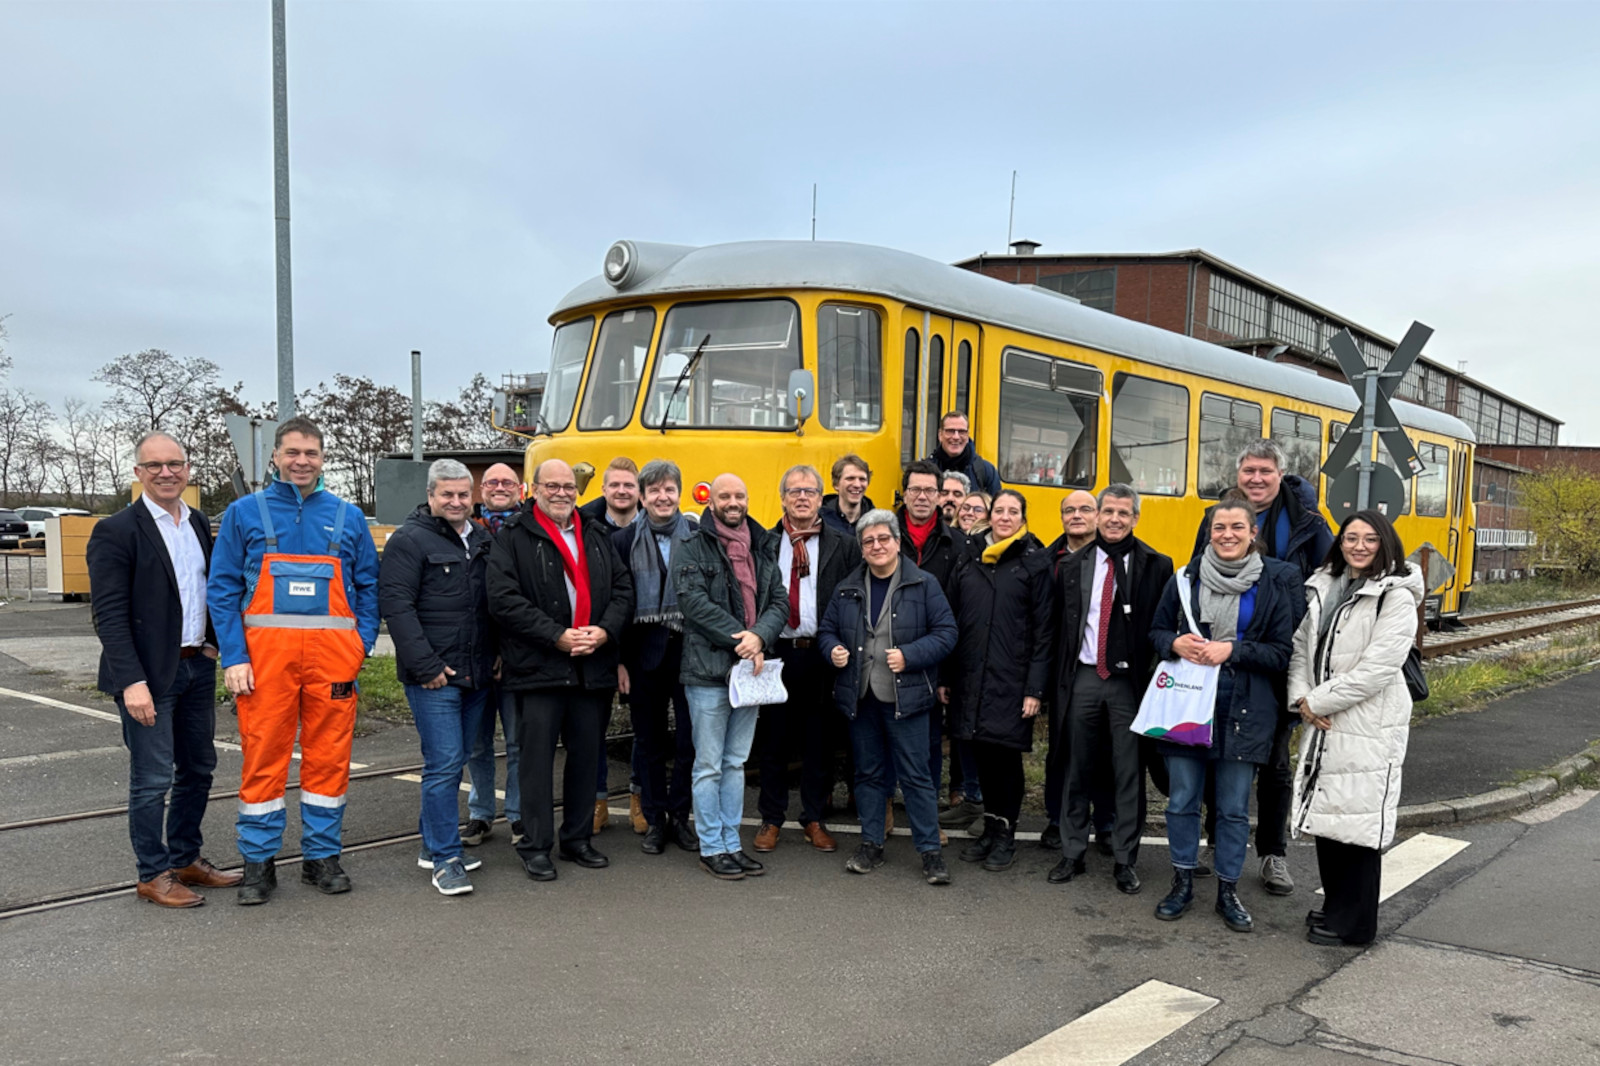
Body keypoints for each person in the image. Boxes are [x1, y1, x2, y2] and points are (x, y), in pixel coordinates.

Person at [209, 417, 379, 905]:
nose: (301, 461)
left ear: (323, 458)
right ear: (276, 458)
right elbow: (221, 590)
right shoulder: (244, 513)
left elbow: (369, 587)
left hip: (333, 665)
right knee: (263, 760)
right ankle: (258, 865)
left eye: (311, 453)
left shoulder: (348, 517)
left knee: (330, 761)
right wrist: (233, 656)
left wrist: (359, 646)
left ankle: (321, 858)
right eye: (292, 452)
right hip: (263, 665)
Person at [86, 430, 240, 908]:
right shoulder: (116, 531)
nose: (166, 473)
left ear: (188, 470)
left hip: (196, 668)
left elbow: (207, 592)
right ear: (138, 473)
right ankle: (152, 873)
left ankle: (186, 858)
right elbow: (109, 615)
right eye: (154, 466)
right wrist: (132, 682)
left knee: (198, 768)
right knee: (152, 778)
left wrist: (216, 645)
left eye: (175, 464)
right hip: (147, 676)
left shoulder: (196, 522)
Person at [1150, 489, 1299, 932]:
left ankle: (1228, 890)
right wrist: (1173, 643)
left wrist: (1231, 650)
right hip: (1188, 703)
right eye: (1219, 527)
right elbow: (1156, 632)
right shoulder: (1185, 578)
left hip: (1247, 706)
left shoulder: (1277, 579)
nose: (1227, 534)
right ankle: (1181, 880)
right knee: (1181, 801)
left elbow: (1284, 651)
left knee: (1233, 807)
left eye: (1238, 527)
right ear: (1208, 533)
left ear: (1253, 533)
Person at [1189, 439, 1329, 895]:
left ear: (1279, 474)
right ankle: (1216, 842)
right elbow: (1197, 573)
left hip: (1276, 659)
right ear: (1238, 474)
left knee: (1274, 762)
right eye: (1248, 470)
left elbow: (1330, 575)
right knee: (1216, 756)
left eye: (1264, 471)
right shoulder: (1217, 518)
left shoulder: (1308, 522)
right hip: (1220, 666)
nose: (1256, 478)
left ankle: (1273, 853)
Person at [486, 458, 633, 883]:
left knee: (587, 758)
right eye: (552, 486)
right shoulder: (514, 535)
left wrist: (604, 631)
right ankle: (534, 845)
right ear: (534, 489)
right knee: (535, 763)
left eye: (569, 486)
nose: (562, 493)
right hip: (539, 667)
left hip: (592, 666)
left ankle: (578, 839)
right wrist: (556, 635)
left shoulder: (596, 532)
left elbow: (624, 589)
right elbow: (503, 599)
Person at [1290, 511, 1423, 947]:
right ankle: (1336, 907)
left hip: (1367, 721)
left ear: (1386, 543)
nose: (1359, 546)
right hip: (1325, 717)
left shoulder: (1396, 596)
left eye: (1369, 539)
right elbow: (1300, 647)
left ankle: (1356, 924)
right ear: (1339, 542)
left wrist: (1317, 701)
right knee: (1331, 819)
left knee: (1359, 825)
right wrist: (1300, 699)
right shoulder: (1325, 584)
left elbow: (1378, 669)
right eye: (1351, 538)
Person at [819, 510, 959, 884]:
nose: (877, 546)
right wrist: (832, 648)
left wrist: (911, 655)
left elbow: (947, 633)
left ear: (898, 542)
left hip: (907, 698)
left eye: (884, 539)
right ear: (861, 548)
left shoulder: (924, 584)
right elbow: (827, 630)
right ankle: (871, 844)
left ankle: (930, 852)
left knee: (916, 776)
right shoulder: (848, 588)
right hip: (861, 697)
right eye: (868, 541)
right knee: (868, 774)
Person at [1048, 485, 1174, 893]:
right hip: (1084, 676)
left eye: (1124, 513)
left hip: (1129, 684)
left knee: (1127, 771)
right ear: (1098, 516)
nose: (1115, 519)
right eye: (1109, 512)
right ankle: (1072, 852)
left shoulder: (1157, 565)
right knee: (1075, 767)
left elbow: (1162, 625)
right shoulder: (1074, 564)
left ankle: (1125, 858)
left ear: (1136, 518)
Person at [380, 459, 495, 896]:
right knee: (445, 763)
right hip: (435, 678)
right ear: (431, 496)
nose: (456, 501)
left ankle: (434, 845)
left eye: (464, 494)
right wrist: (426, 666)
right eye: (447, 494)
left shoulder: (481, 539)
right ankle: (447, 859)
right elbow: (397, 607)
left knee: (457, 758)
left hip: (476, 673)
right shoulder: (409, 541)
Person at [673, 473, 789, 881]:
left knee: (736, 763)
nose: (733, 501)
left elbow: (779, 599)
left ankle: (730, 843)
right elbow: (692, 603)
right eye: (725, 495)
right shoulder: (690, 544)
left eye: (740, 494)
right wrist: (744, 638)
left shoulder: (763, 544)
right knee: (708, 766)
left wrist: (760, 637)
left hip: (749, 670)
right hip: (708, 673)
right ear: (712, 501)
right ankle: (711, 847)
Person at [752, 465, 860, 854]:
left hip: (822, 652)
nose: (802, 497)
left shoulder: (843, 544)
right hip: (777, 653)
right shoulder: (764, 542)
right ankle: (771, 818)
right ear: (782, 497)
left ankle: (814, 817)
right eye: (794, 491)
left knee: (819, 740)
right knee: (774, 741)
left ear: (820, 498)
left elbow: (852, 601)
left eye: (810, 491)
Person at [944, 490, 1052, 871]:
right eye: (999, 510)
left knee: (1005, 760)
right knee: (983, 756)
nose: (1005, 516)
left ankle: (1006, 834)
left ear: (1023, 518)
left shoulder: (1034, 562)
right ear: (990, 515)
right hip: (971, 675)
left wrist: (1035, 689)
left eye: (1013, 511)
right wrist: (946, 676)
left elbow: (1044, 632)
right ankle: (990, 827)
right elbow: (952, 620)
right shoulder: (969, 558)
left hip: (1012, 679)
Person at [612, 459, 700, 856]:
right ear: (642, 497)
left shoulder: (699, 535)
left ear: (678, 494)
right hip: (641, 658)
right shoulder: (623, 541)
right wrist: (619, 661)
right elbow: (613, 605)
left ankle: (681, 817)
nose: (663, 497)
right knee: (647, 743)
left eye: (670, 489)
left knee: (688, 742)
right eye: (654, 491)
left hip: (690, 656)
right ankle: (655, 819)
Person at [896, 460, 978, 831]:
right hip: (886, 652)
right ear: (904, 493)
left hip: (932, 659)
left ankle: (925, 821)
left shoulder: (958, 544)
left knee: (928, 745)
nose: (923, 497)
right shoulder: (884, 533)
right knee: (881, 739)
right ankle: (882, 810)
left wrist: (946, 673)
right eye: (916, 489)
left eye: (932, 490)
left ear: (942, 496)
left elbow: (961, 611)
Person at [577, 457, 643, 833]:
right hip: (601, 642)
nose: (621, 491)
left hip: (645, 645)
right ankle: (598, 800)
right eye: (614, 485)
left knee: (644, 729)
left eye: (628, 485)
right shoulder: (585, 527)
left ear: (639, 491)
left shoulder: (655, 526)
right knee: (594, 729)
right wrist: (613, 654)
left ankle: (638, 796)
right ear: (603, 489)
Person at [463, 462, 525, 848]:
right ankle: (481, 813)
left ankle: (518, 814)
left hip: (516, 654)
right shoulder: (465, 529)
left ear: (520, 488)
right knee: (477, 742)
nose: (500, 487)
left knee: (519, 740)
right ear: (480, 489)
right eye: (492, 482)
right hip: (473, 654)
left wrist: (506, 648)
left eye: (507, 482)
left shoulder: (530, 529)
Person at [1040, 489, 1102, 850]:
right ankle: (1056, 819)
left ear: (1097, 515)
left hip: (1103, 668)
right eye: (1069, 510)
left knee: (1106, 751)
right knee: (1060, 750)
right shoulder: (1050, 560)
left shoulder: (1114, 557)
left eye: (1084, 509)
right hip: (1062, 668)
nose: (1076, 515)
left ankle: (1106, 822)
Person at [929, 412, 1001, 497]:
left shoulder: (986, 471)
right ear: (940, 435)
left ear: (967, 435)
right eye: (950, 431)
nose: (956, 437)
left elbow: (996, 507)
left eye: (961, 431)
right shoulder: (927, 469)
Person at [820, 454, 875, 535]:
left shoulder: (876, 522)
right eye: (850, 478)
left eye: (862, 479)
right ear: (836, 484)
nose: (857, 485)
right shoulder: (819, 520)